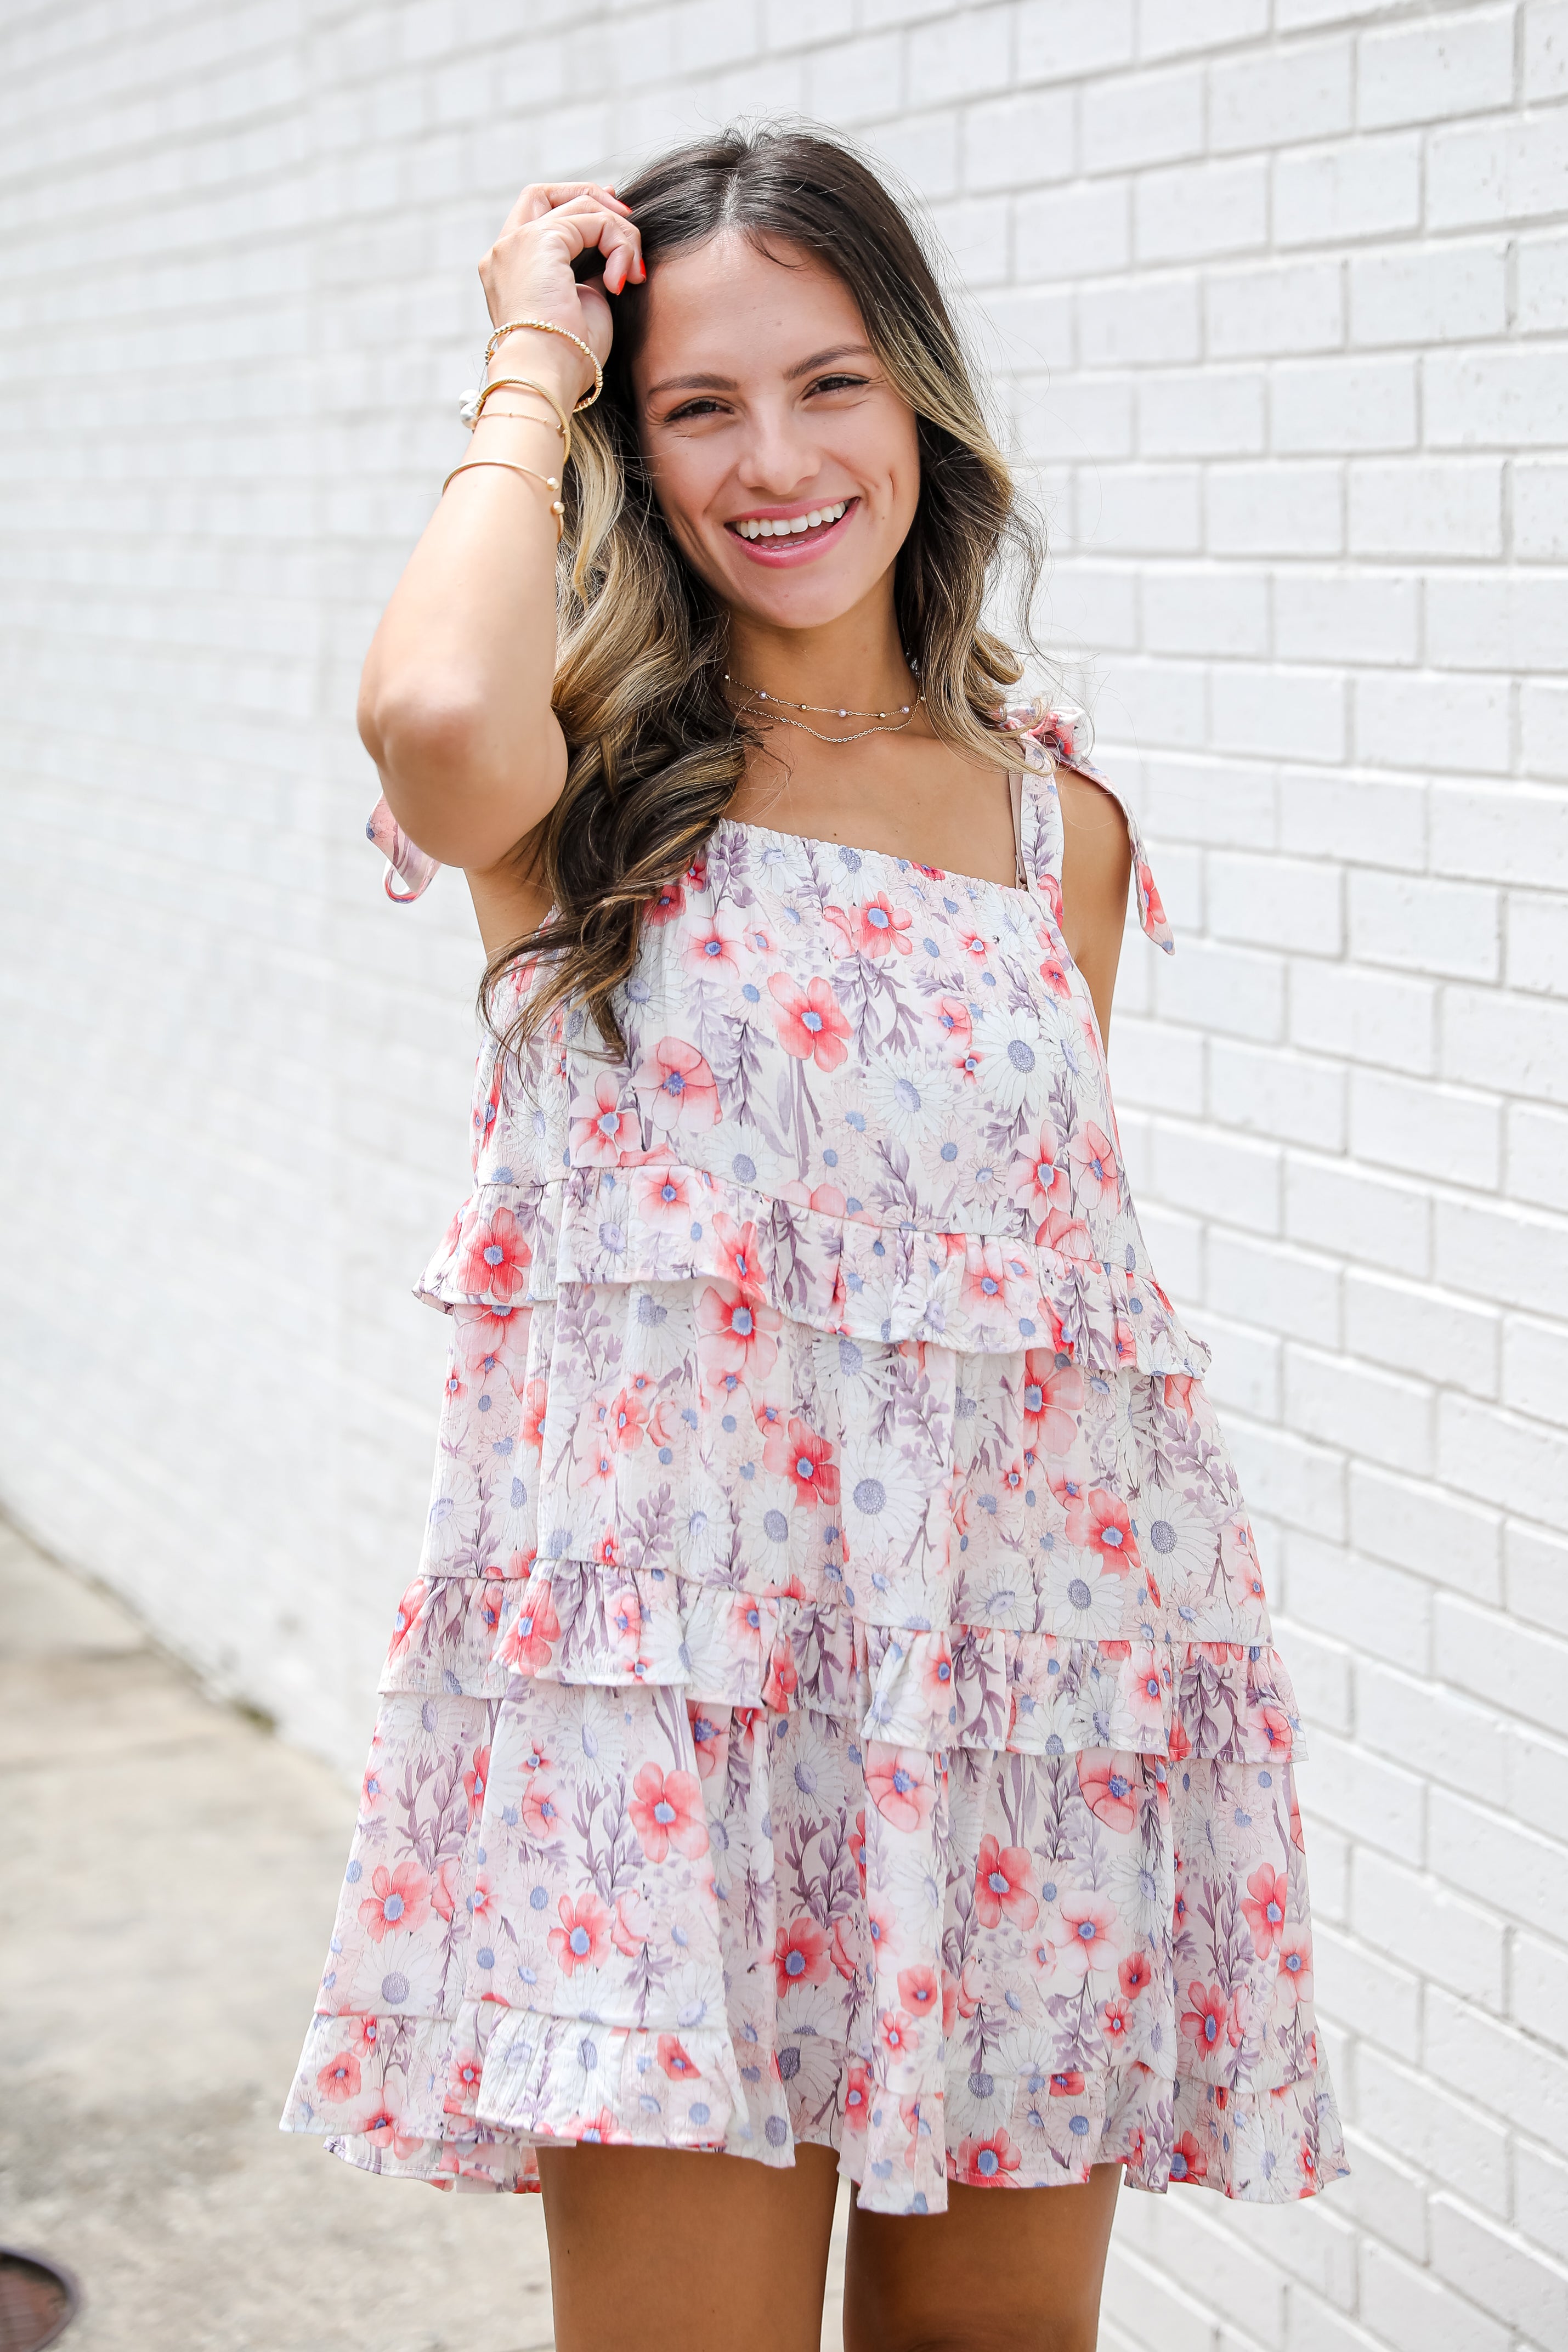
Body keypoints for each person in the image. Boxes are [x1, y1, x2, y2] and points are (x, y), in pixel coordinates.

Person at [282, 125, 1345, 2352]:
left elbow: (1031, 1324)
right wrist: (525, 362)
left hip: (1022, 1721)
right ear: (629, 449)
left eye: (829, 382)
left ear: (916, 397)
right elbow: (428, 716)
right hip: (674, 1756)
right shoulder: (574, 785)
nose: (775, 458)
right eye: (697, 404)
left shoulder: (1056, 824)